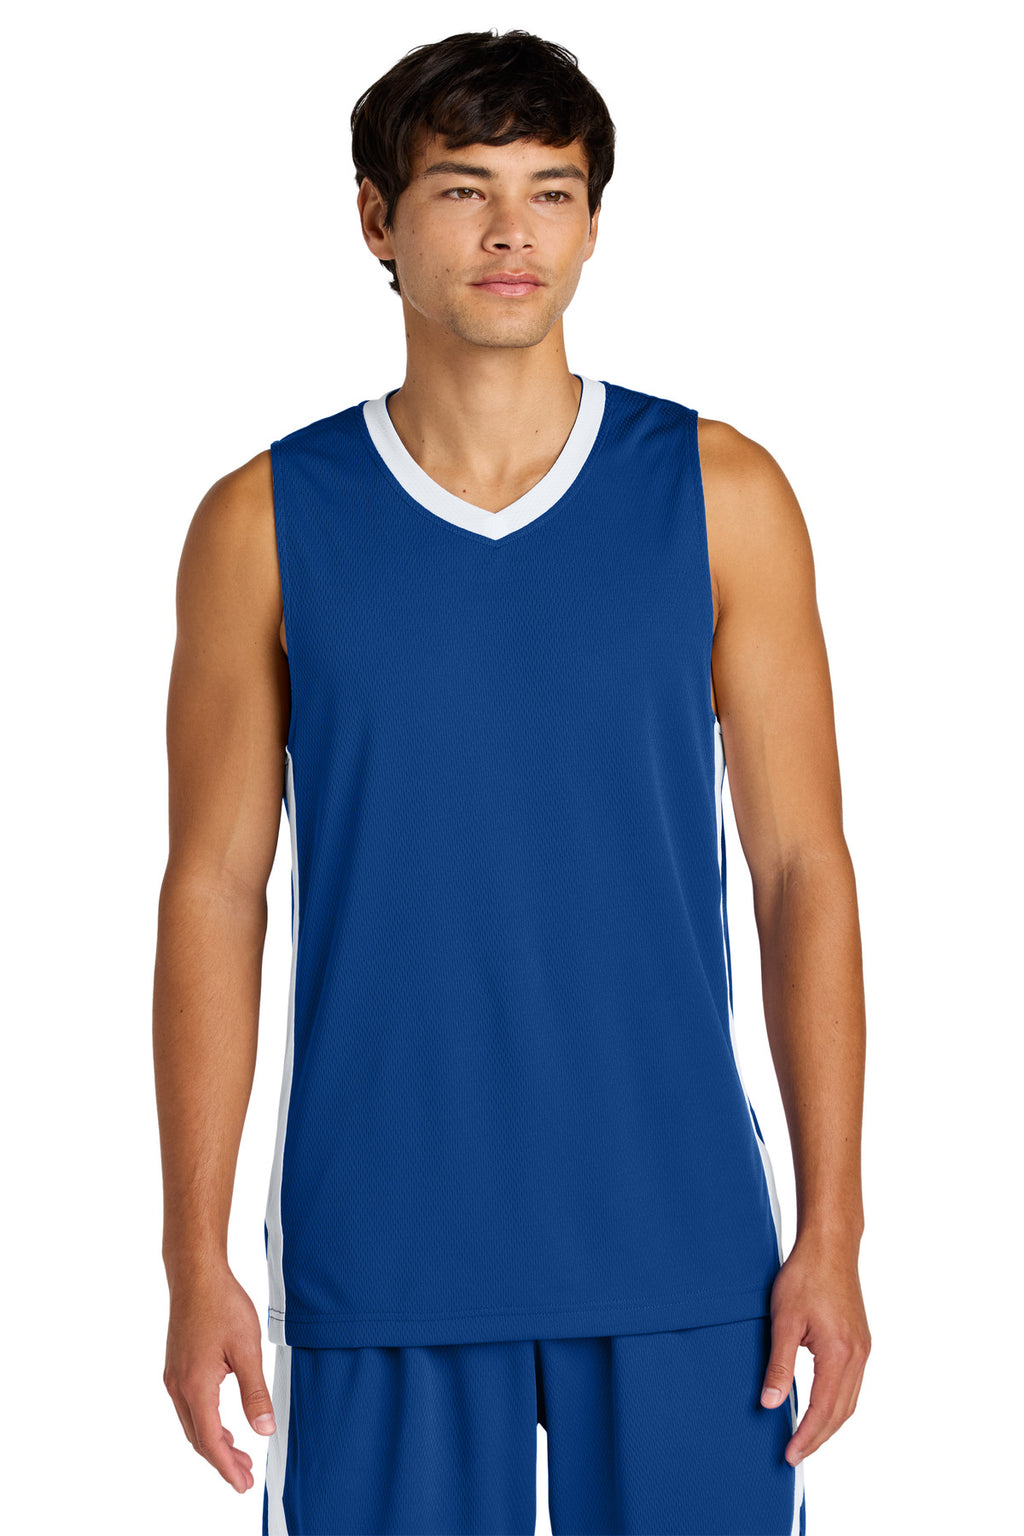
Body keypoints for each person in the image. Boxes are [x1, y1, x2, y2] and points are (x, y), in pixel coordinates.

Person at [153, 28, 869, 1536]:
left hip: (682, 1242)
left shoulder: (722, 495)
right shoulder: (264, 522)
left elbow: (803, 870)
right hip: (385, 1242)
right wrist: (191, 1255)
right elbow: (213, 891)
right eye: (463, 189)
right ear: (376, 218)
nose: (509, 233)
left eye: (551, 191)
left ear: (594, 222)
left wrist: (836, 1230)